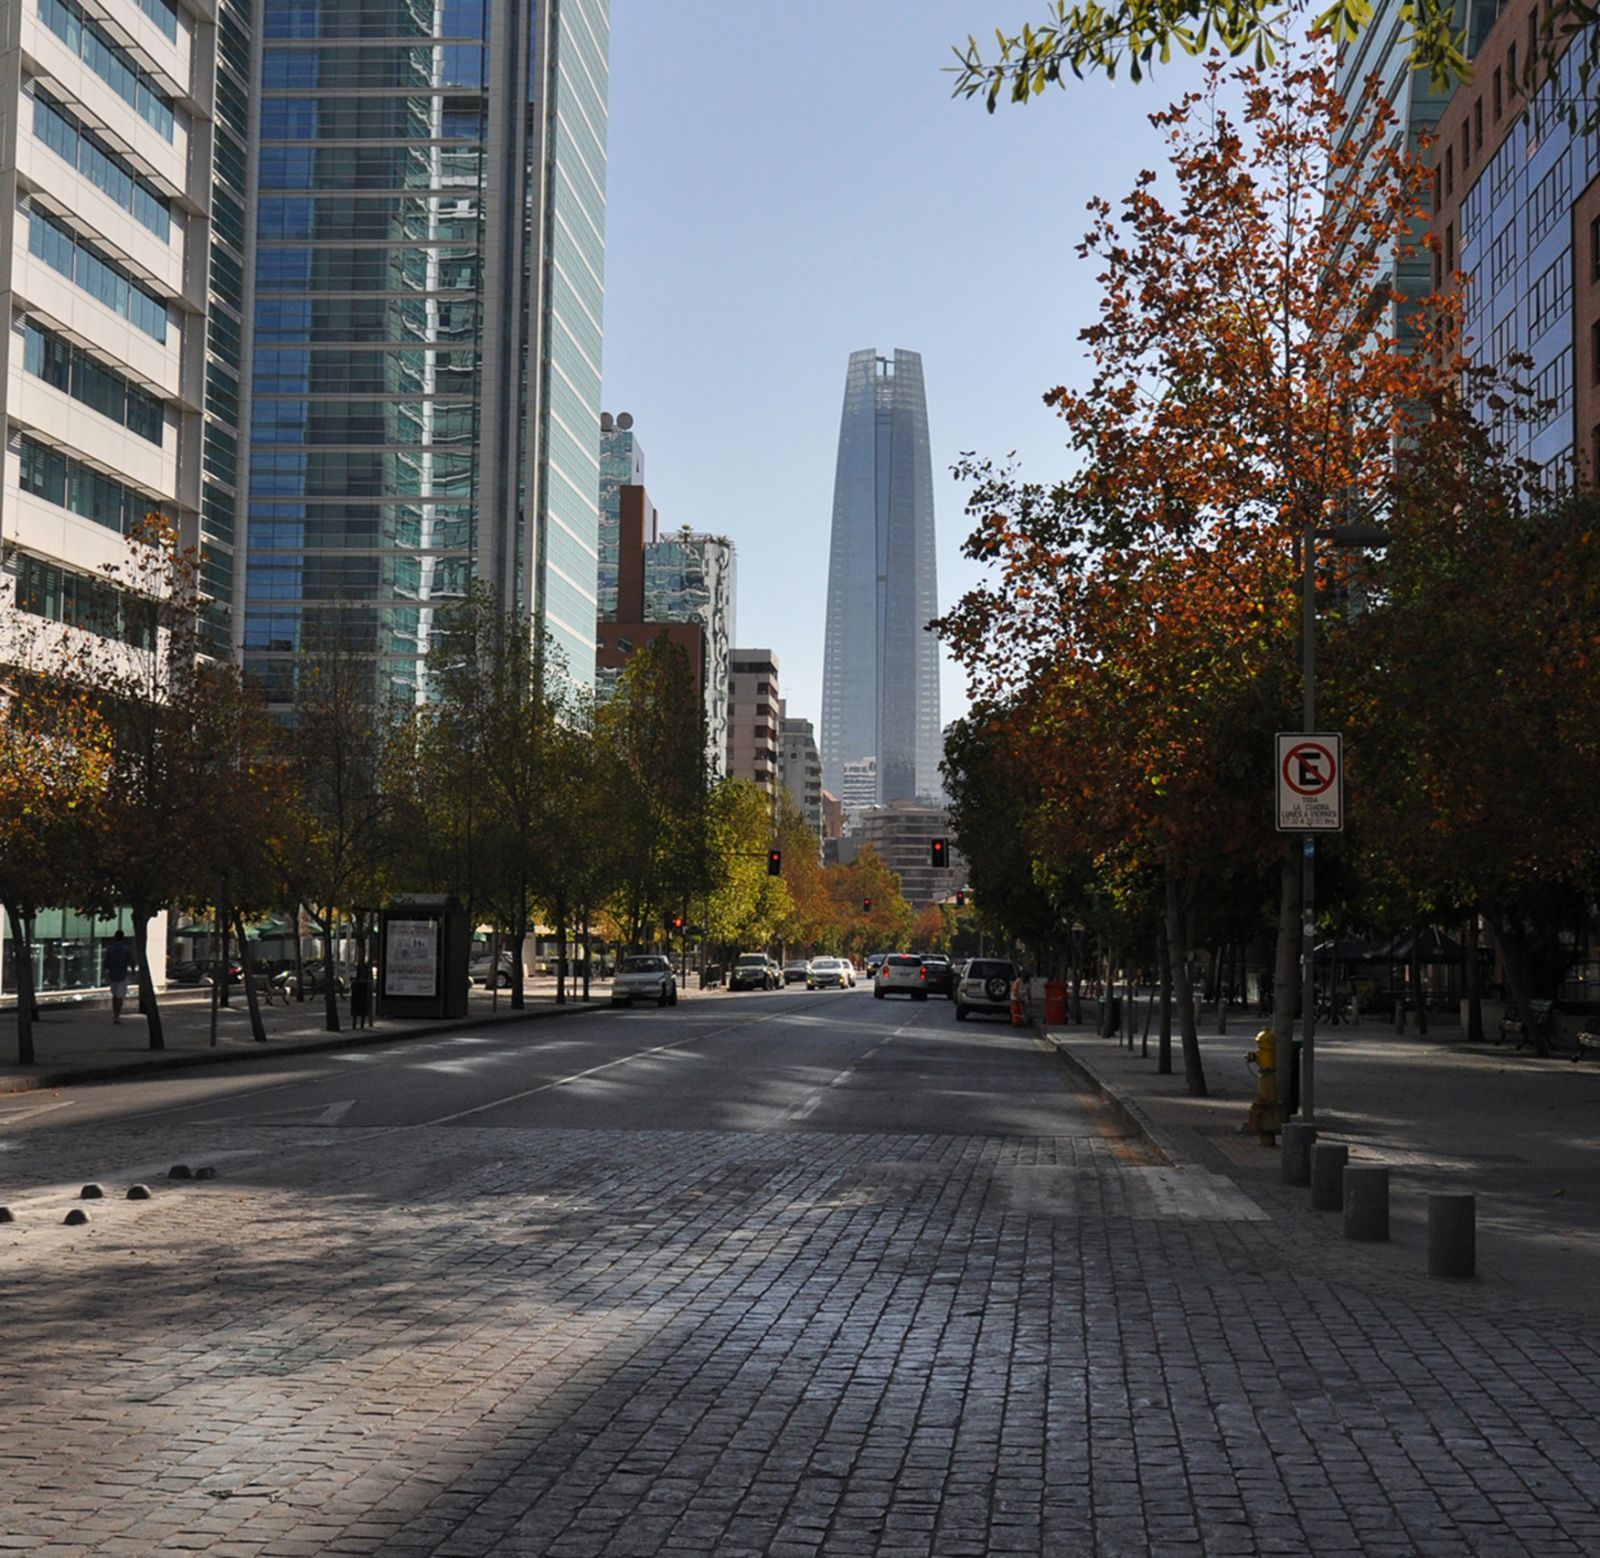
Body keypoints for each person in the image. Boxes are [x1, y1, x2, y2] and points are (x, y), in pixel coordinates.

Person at [104, 930, 136, 1025]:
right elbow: (132, 960)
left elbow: (106, 962)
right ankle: (117, 1015)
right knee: (120, 996)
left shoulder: (110, 949)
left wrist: (106, 971)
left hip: (112, 974)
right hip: (123, 974)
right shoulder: (126, 949)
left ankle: (115, 1014)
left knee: (114, 995)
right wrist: (133, 970)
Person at [350, 963, 372, 1029]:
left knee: (360, 1006)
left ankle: (358, 1023)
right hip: (360, 988)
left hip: (360, 988)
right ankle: (360, 1022)